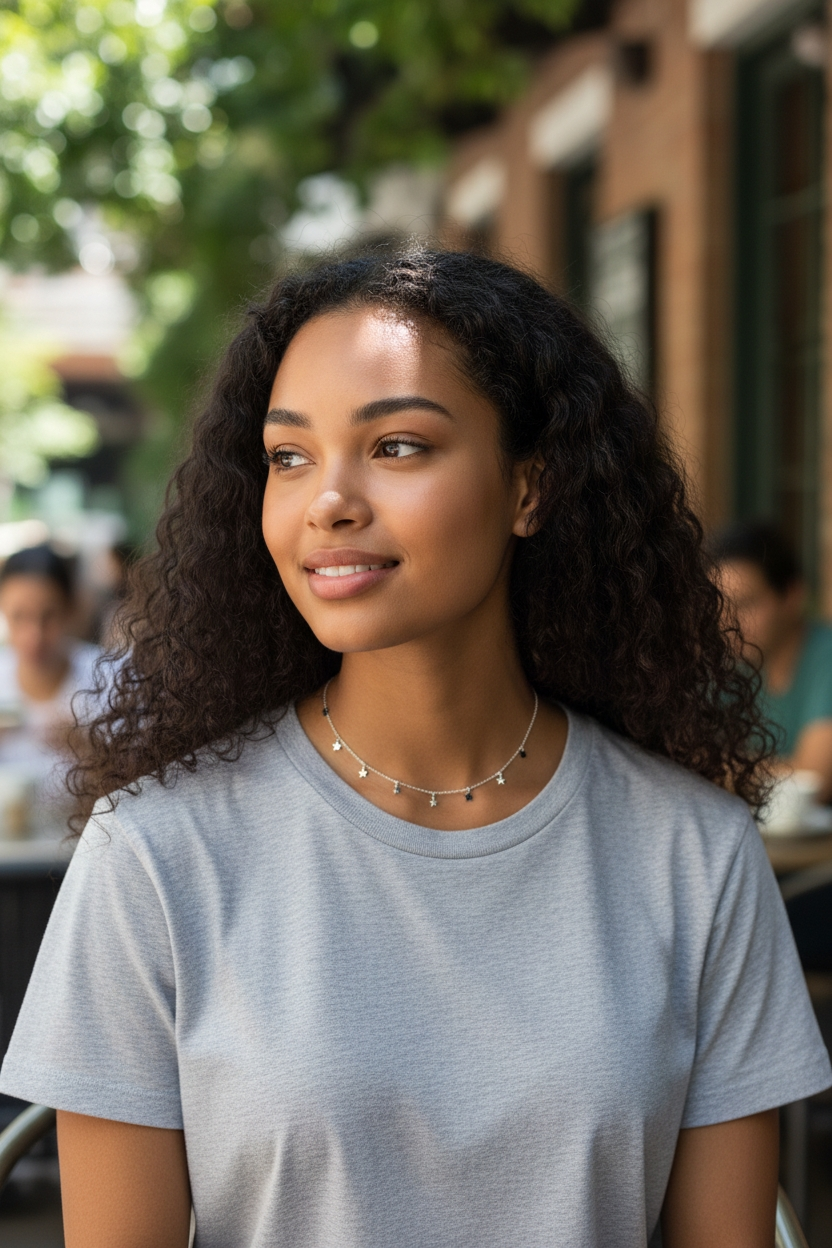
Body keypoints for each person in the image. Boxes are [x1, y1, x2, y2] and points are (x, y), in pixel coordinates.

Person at [0, 250, 829, 1248]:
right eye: (289, 456)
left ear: (530, 486)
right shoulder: (155, 858)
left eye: (396, 446)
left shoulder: (693, 857)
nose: (328, 501)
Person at [712, 519, 832, 800]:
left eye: (745, 604)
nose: (728, 622)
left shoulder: (824, 657)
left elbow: (815, 780)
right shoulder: (732, 668)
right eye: (719, 607)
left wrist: (715, 767)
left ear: (792, 596)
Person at [0, 544, 101, 838]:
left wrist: (91, 747)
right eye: (19, 617)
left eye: (48, 616)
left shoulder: (107, 677)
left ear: (71, 609)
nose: (34, 636)